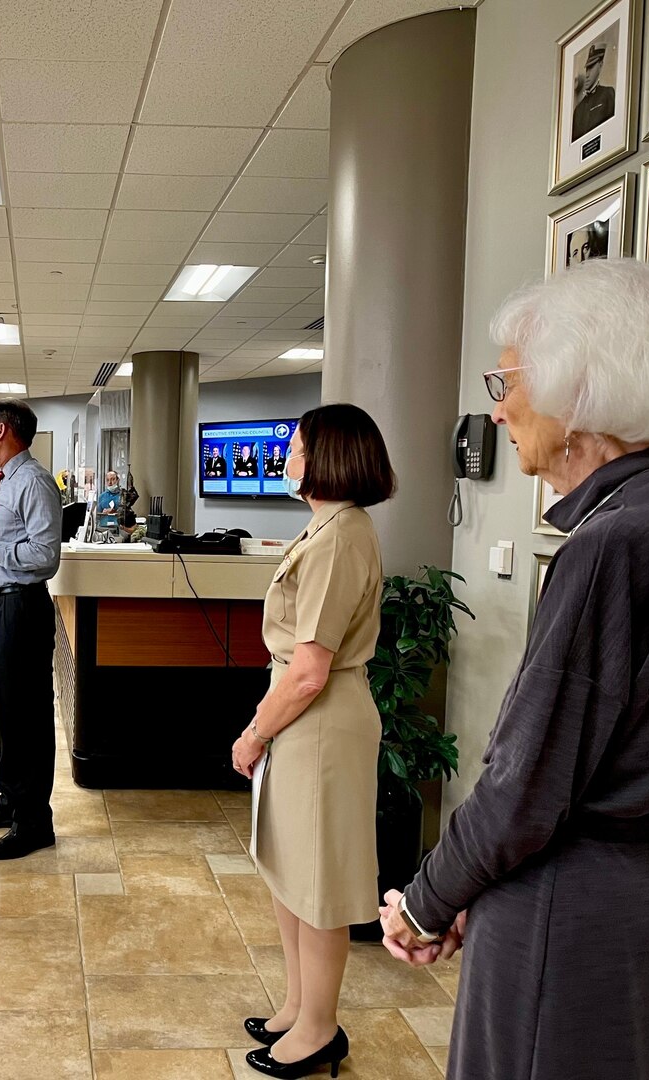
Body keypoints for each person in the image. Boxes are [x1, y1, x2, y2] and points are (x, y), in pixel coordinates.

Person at [377, 261, 649, 1080]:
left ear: (581, 393)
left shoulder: (613, 544)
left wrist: (428, 899)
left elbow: (523, 784)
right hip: (636, 894)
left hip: (566, 902)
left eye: (508, 380)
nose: (498, 407)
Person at [229, 404, 394, 1079]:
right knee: (290, 870)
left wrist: (253, 732)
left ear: (329, 456)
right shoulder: (324, 527)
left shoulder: (341, 535)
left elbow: (309, 671)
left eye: (295, 446)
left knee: (318, 880)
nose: (286, 456)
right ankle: (299, 1003)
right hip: (305, 718)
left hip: (320, 721)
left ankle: (321, 1029)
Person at [0, 400, 62, 860]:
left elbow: (45, 555)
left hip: (22, 608)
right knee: (6, 712)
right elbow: (9, 545)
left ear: (2, 430)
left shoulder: (34, 480)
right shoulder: (7, 479)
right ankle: (12, 799)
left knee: (27, 717)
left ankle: (34, 821)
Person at [570, 39, 615, 141]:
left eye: (591, 67)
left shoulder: (607, 94)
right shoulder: (578, 109)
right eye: (587, 68)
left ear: (600, 65)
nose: (587, 74)